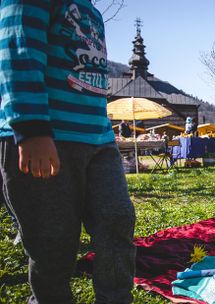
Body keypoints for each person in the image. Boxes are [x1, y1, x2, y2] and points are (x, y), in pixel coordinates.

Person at [0, 1, 136, 303]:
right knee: (53, 244)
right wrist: (32, 128)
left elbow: (89, 80)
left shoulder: (93, 12)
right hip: (46, 140)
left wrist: (104, 132)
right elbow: (17, 47)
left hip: (98, 140)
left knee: (117, 220)